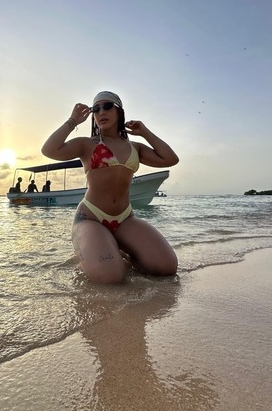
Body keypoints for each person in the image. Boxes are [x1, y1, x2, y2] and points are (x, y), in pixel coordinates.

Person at [41, 91, 179, 284]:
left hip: (125, 218)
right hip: (90, 218)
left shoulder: (135, 147)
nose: (101, 112)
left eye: (107, 107)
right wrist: (73, 121)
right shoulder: (87, 144)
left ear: (119, 111)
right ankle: (92, 254)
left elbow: (170, 159)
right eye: (96, 109)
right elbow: (49, 149)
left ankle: (118, 249)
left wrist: (144, 132)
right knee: (110, 278)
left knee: (167, 267)